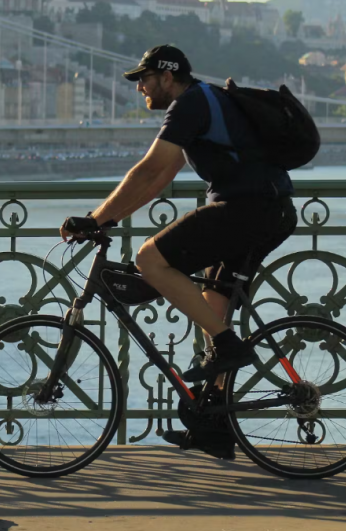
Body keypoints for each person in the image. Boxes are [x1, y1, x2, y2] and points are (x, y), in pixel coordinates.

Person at [60, 45, 298, 459]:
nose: (140, 89)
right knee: (213, 301)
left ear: (167, 77)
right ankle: (216, 425)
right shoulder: (205, 99)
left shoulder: (190, 105)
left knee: (150, 259)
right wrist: (110, 219)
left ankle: (229, 346)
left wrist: (95, 220)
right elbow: (158, 180)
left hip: (249, 209)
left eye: (144, 79)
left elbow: (149, 170)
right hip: (269, 209)